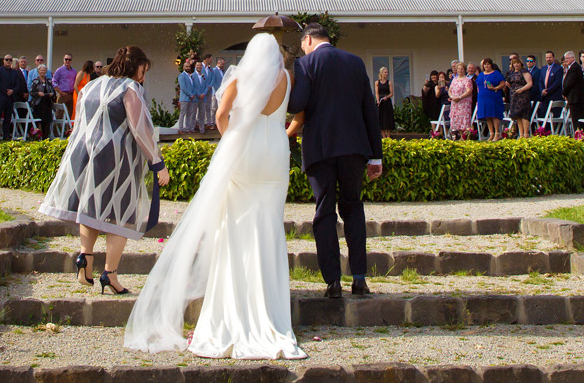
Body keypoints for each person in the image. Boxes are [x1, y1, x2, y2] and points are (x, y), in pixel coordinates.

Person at [126, 31, 301, 359]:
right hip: (276, 151)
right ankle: (272, 311)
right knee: (269, 223)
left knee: (234, 223)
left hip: (246, 151)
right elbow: (292, 117)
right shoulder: (286, 79)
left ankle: (234, 305)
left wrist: (235, 139)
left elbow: (221, 117)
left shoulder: (240, 78)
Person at [39, 45, 167, 295]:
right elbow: (139, 128)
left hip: (85, 153)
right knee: (120, 214)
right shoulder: (130, 88)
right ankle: (110, 273)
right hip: (116, 157)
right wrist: (157, 162)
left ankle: (85, 259)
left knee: (91, 206)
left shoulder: (91, 86)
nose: (144, 75)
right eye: (144, 69)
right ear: (136, 66)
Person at [287, 23, 383, 301]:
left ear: (307, 39)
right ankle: (360, 279)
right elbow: (369, 110)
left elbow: (297, 104)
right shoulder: (355, 62)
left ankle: (333, 282)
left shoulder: (306, 64)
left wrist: (286, 83)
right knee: (353, 208)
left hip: (321, 147)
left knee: (325, 211)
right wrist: (375, 156)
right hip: (354, 148)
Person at [0, 53, 26, 141]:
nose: (8, 61)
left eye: (10, 60)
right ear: (3, 60)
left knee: (8, 117)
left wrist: (12, 91)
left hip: (10, 98)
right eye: (7, 59)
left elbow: (18, 84)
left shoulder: (14, 72)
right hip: (0, 97)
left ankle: (6, 135)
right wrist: (6, 90)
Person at [473, 58, 504, 139]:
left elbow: (503, 84)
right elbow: (478, 86)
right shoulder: (481, 74)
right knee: (487, 116)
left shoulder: (496, 73)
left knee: (494, 115)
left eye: (488, 64)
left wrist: (495, 88)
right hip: (482, 98)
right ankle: (491, 133)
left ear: (491, 65)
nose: (486, 66)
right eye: (485, 64)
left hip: (493, 97)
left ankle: (497, 133)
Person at [561, 50, 584, 137]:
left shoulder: (575, 67)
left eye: (567, 58)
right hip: (573, 97)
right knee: (576, 117)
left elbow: (570, 82)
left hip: (575, 97)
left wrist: (564, 92)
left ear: (573, 58)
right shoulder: (572, 67)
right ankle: (580, 134)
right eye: (565, 59)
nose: (566, 60)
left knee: (577, 118)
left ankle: (580, 135)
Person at [504, 56, 532, 137]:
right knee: (517, 115)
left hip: (523, 96)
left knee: (524, 114)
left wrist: (521, 90)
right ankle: (521, 134)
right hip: (514, 96)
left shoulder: (524, 72)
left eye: (517, 63)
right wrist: (509, 86)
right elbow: (510, 84)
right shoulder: (512, 73)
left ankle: (526, 133)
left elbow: (530, 83)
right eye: (514, 63)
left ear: (521, 64)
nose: (516, 65)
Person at [446, 62, 475, 139]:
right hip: (455, 103)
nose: (460, 70)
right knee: (457, 120)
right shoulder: (454, 79)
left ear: (464, 70)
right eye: (458, 68)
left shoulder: (467, 80)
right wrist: (452, 97)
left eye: (462, 69)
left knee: (464, 120)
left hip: (464, 103)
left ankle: (465, 136)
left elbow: (469, 91)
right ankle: (460, 136)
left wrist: (459, 97)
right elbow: (450, 90)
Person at [29, 62, 58, 139]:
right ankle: (37, 136)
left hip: (47, 103)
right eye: (41, 70)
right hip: (38, 104)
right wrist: (38, 93)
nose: (43, 72)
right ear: (38, 71)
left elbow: (53, 92)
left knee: (47, 121)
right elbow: (32, 92)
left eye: (44, 70)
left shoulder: (49, 81)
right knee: (38, 121)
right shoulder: (35, 81)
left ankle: (46, 137)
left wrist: (52, 94)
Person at [51, 54, 79, 118]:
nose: (67, 61)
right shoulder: (59, 70)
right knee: (59, 114)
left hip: (71, 95)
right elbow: (54, 81)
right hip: (62, 95)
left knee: (71, 113)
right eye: (66, 59)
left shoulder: (74, 71)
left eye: (69, 59)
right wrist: (60, 92)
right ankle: (57, 128)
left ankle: (68, 127)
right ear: (63, 60)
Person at [376, 66, 397, 134]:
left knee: (388, 118)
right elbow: (377, 93)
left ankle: (388, 135)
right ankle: (383, 136)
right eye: (385, 72)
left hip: (387, 101)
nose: (386, 74)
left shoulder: (389, 82)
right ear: (381, 73)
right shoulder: (377, 82)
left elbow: (391, 93)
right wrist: (378, 100)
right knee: (381, 118)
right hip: (380, 102)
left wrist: (387, 97)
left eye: (387, 72)